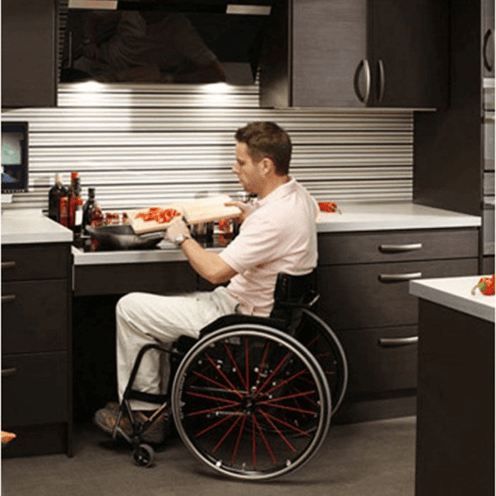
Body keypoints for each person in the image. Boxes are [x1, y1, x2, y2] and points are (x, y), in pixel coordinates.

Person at [94, 121, 319, 443]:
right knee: (162, 302)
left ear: (265, 165)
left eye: (241, 162)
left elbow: (214, 272)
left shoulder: (273, 218)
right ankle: (156, 406)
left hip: (241, 317)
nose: (234, 168)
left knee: (130, 307)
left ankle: (145, 414)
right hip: (269, 311)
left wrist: (182, 237)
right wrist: (250, 213)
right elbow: (278, 227)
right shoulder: (299, 197)